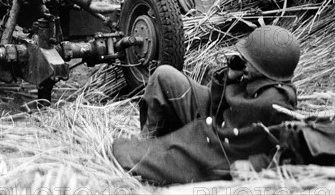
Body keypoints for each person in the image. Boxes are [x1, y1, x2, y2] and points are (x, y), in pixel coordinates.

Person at [112, 25, 301, 185]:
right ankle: (149, 139)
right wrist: (229, 78)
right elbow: (218, 105)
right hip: (214, 120)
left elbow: (286, 151)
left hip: (219, 148)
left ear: (264, 67)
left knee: (128, 156)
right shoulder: (256, 79)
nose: (245, 62)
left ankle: (155, 153)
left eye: (250, 61)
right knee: (164, 76)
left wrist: (254, 166)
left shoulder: (276, 103)